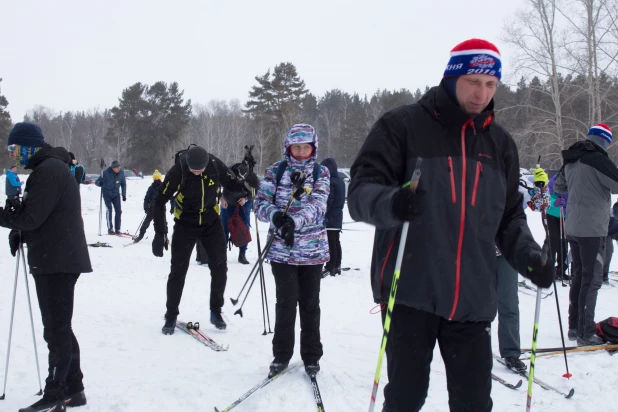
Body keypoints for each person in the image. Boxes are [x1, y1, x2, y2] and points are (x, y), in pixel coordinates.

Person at [347, 39, 554, 411]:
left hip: (473, 296)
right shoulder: (403, 125)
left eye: (491, 84)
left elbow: (509, 216)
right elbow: (360, 191)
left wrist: (528, 256)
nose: (482, 93)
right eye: (474, 81)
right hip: (411, 290)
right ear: (451, 77)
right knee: (407, 397)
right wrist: (392, 202)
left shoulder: (500, 143)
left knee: (474, 402)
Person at [0, 122, 92, 412]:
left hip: (57, 260)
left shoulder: (49, 170)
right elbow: (37, 215)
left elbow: (32, 218)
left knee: (56, 331)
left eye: (15, 149)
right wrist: (19, 229)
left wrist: (13, 221)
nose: (14, 155)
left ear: (29, 146)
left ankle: (56, 394)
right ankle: (73, 390)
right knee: (60, 328)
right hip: (55, 256)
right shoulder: (48, 169)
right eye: (10, 150)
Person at [152, 146, 259, 333]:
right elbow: (160, 199)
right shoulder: (179, 170)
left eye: (199, 169)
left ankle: (216, 311)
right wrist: (159, 232)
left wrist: (248, 185)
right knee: (178, 271)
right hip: (185, 222)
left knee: (220, 267)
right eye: (193, 169)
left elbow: (232, 184)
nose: (196, 172)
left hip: (211, 221)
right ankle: (171, 315)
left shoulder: (214, 164)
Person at [254, 123, 330, 378]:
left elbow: (319, 205)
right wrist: (276, 217)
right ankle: (281, 356)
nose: (300, 151)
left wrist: (294, 222)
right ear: (288, 147)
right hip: (282, 253)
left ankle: (311, 356)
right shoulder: (276, 170)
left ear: (313, 148)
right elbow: (260, 202)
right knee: (285, 304)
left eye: (305, 147)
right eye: (296, 146)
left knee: (310, 305)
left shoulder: (321, 173)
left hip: (312, 252)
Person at [554, 124, 618, 345]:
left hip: (573, 227)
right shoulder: (598, 159)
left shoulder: (572, 157)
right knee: (591, 280)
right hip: (592, 230)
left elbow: (559, 186)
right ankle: (586, 332)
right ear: (604, 141)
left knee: (579, 277)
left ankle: (574, 326)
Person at [220, 162, 253, 265]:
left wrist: (246, 199)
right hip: (227, 202)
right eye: (238, 177)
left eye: (243, 178)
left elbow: (255, 191)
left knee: (243, 228)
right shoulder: (227, 173)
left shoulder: (251, 177)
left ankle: (242, 254)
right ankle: (222, 254)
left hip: (243, 204)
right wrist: (221, 198)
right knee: (223, 228)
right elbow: (215, 184)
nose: (240, 180)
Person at [320, 157, 345, 277]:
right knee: (335, 241)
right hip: (338, 215)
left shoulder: (330, 182)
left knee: (331, 243)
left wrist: (323, 214)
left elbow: (329, 201)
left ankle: (330, 267)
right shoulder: (340, 181)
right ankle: (337, 265)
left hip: (331, 216)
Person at [547, 174, 569, 280]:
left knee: (564, 241)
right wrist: (554, 201)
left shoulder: (577, 177)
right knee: (553, 240)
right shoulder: (557, 178)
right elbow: (547, 194)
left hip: (566, 214)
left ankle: (561, 269)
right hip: (552, 213)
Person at [95, 160, 126, 234]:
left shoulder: (121, 173)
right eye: (116, 168)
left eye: (119, 167)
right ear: (113, 168)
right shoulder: (106, 173)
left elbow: (123, 184)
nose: (118, 169)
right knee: (109, 210)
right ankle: (110, 229)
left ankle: (117, 229)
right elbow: (97, 182)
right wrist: (100, 183)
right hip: (107, 194)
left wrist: (124, 194)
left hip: (116, 194)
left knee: (118, 211)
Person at [133, 170, 163, 243]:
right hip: (151, 209)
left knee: (162, 224)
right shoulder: (151, 188)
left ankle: (164, 237)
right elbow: (146, 199)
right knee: (146, 223)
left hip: (160, 209)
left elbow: (170, 196)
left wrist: (172, 206)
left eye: (158, 178)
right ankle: (141, 235)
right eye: (155, 178)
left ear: (160, 178)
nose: (156, 180)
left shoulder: (163, 186)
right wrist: (146, 207)